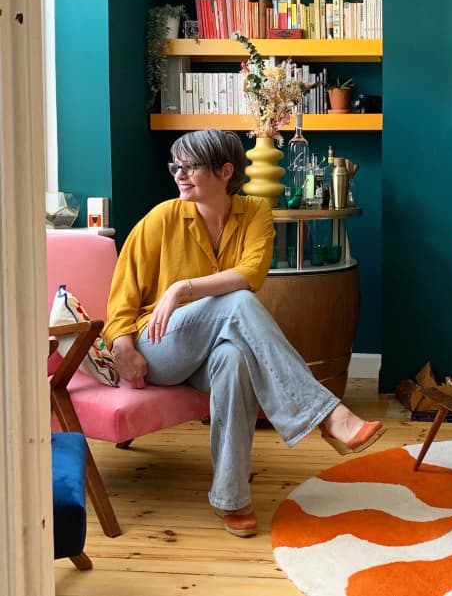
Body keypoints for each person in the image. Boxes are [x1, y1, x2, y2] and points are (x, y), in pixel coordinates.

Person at [104, 129, 384, 538]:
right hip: (158, 347)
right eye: (175, 166)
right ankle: (327, 414)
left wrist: (183, 287)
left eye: (191, 166)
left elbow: (252, 273)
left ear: (225, 171)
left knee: (234, 361)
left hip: (211, 350)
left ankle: (231, 497)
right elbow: (121, 295)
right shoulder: (161, 219)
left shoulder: (255, 212)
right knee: (238, 302)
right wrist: (123, 345)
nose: (179, 174)